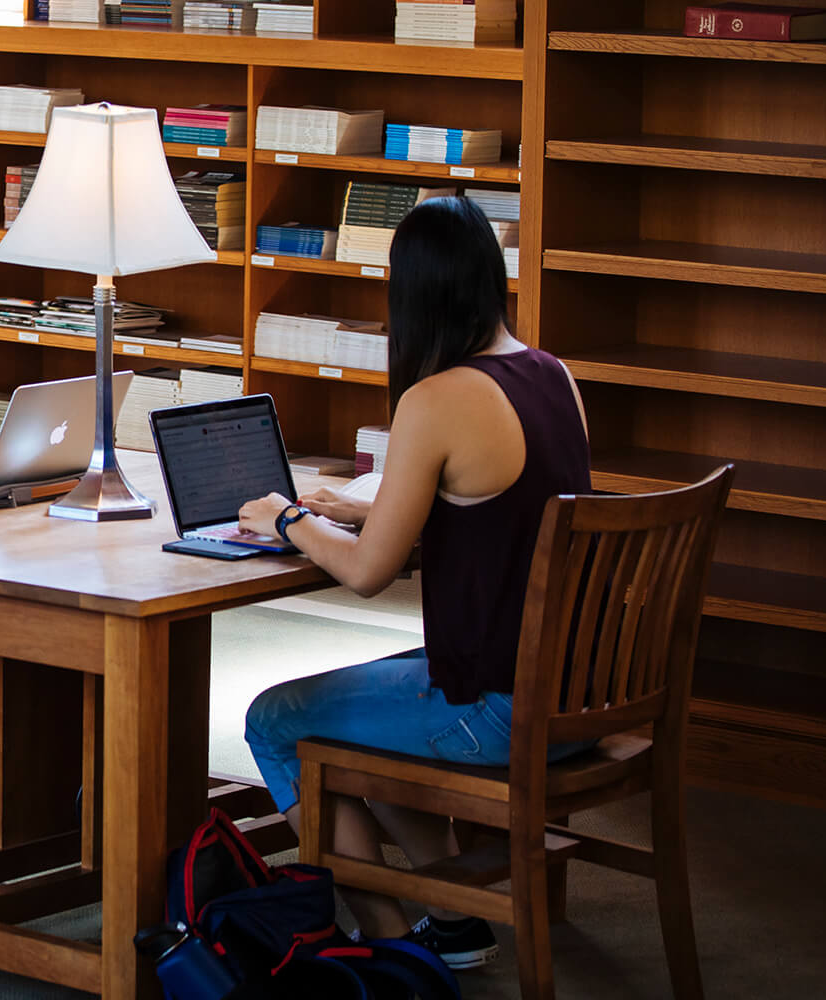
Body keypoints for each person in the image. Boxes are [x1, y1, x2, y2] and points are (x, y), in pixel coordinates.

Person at [235, 196, 593, 969]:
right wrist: (362, 508)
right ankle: (452, 920)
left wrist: (288, 518)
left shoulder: (437, 399)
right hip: (576, 696)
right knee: (365, 709)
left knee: (274, 720)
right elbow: (505, 515)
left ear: (415, 292)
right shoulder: (553, 374)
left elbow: (368, 574)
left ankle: (391, 945)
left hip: (498, 708)